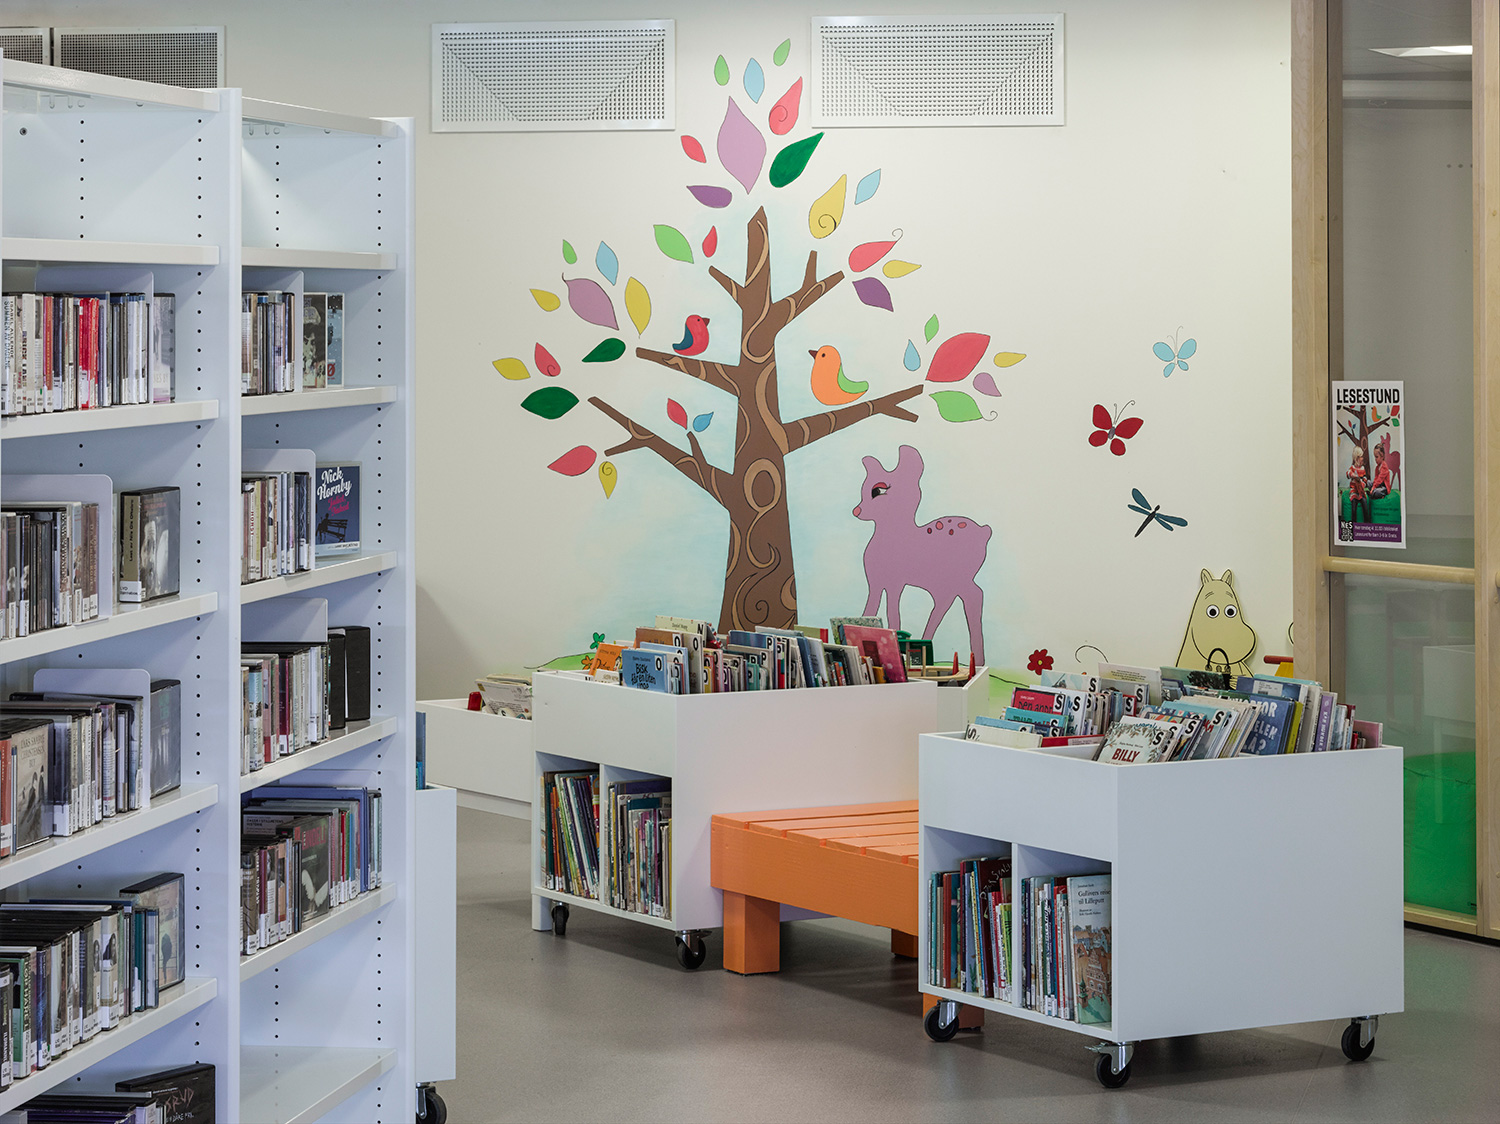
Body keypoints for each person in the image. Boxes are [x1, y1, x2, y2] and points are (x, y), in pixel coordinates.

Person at [1347, 447, 1371, 523]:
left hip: (1361, 491)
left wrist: (1363, 483)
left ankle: (1367, 523)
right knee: (1353, 508)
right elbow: (1348, 473)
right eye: (1361, 456)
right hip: (1354, 491)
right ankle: (1353, 524)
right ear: (1356, 458)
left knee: (1365, 505)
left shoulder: (1362, 468)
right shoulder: (1353, 468)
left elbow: (1364, 478)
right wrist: (1354, 475)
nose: (1362, 458)